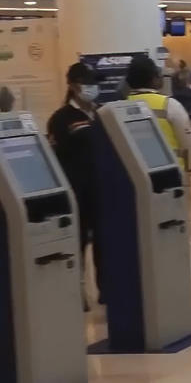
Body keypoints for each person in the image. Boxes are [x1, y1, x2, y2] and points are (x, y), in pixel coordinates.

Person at [124, 56, 191, 320]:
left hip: (135, 185)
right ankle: (180, 301)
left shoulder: (119, 108)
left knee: (143, 244)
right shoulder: (169, 105)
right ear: (155, 79)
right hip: (171, 183)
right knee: (175, 243)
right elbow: (189, 142)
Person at [47, 63, 103, 311]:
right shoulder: (61, 119)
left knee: (104, 243)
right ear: (72, 85)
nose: (90, 87)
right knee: (77, 244)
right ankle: (78, 292)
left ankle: (107, 289)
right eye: (85, 81)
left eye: (93, 81)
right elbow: (58, 156)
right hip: (76, 190)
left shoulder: (101, 114)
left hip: (101, 190)